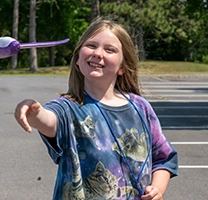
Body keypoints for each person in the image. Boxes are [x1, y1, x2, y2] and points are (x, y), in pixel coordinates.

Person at [14, 17, 178, 200]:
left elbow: (163, 158)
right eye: (91, 45)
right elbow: (48, 120)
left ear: (123, 66)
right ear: (77, 58)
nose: (98, 53)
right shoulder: (68, 108)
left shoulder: (140, 108)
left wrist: (157, 189)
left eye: (110, 49)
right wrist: (34, 112)